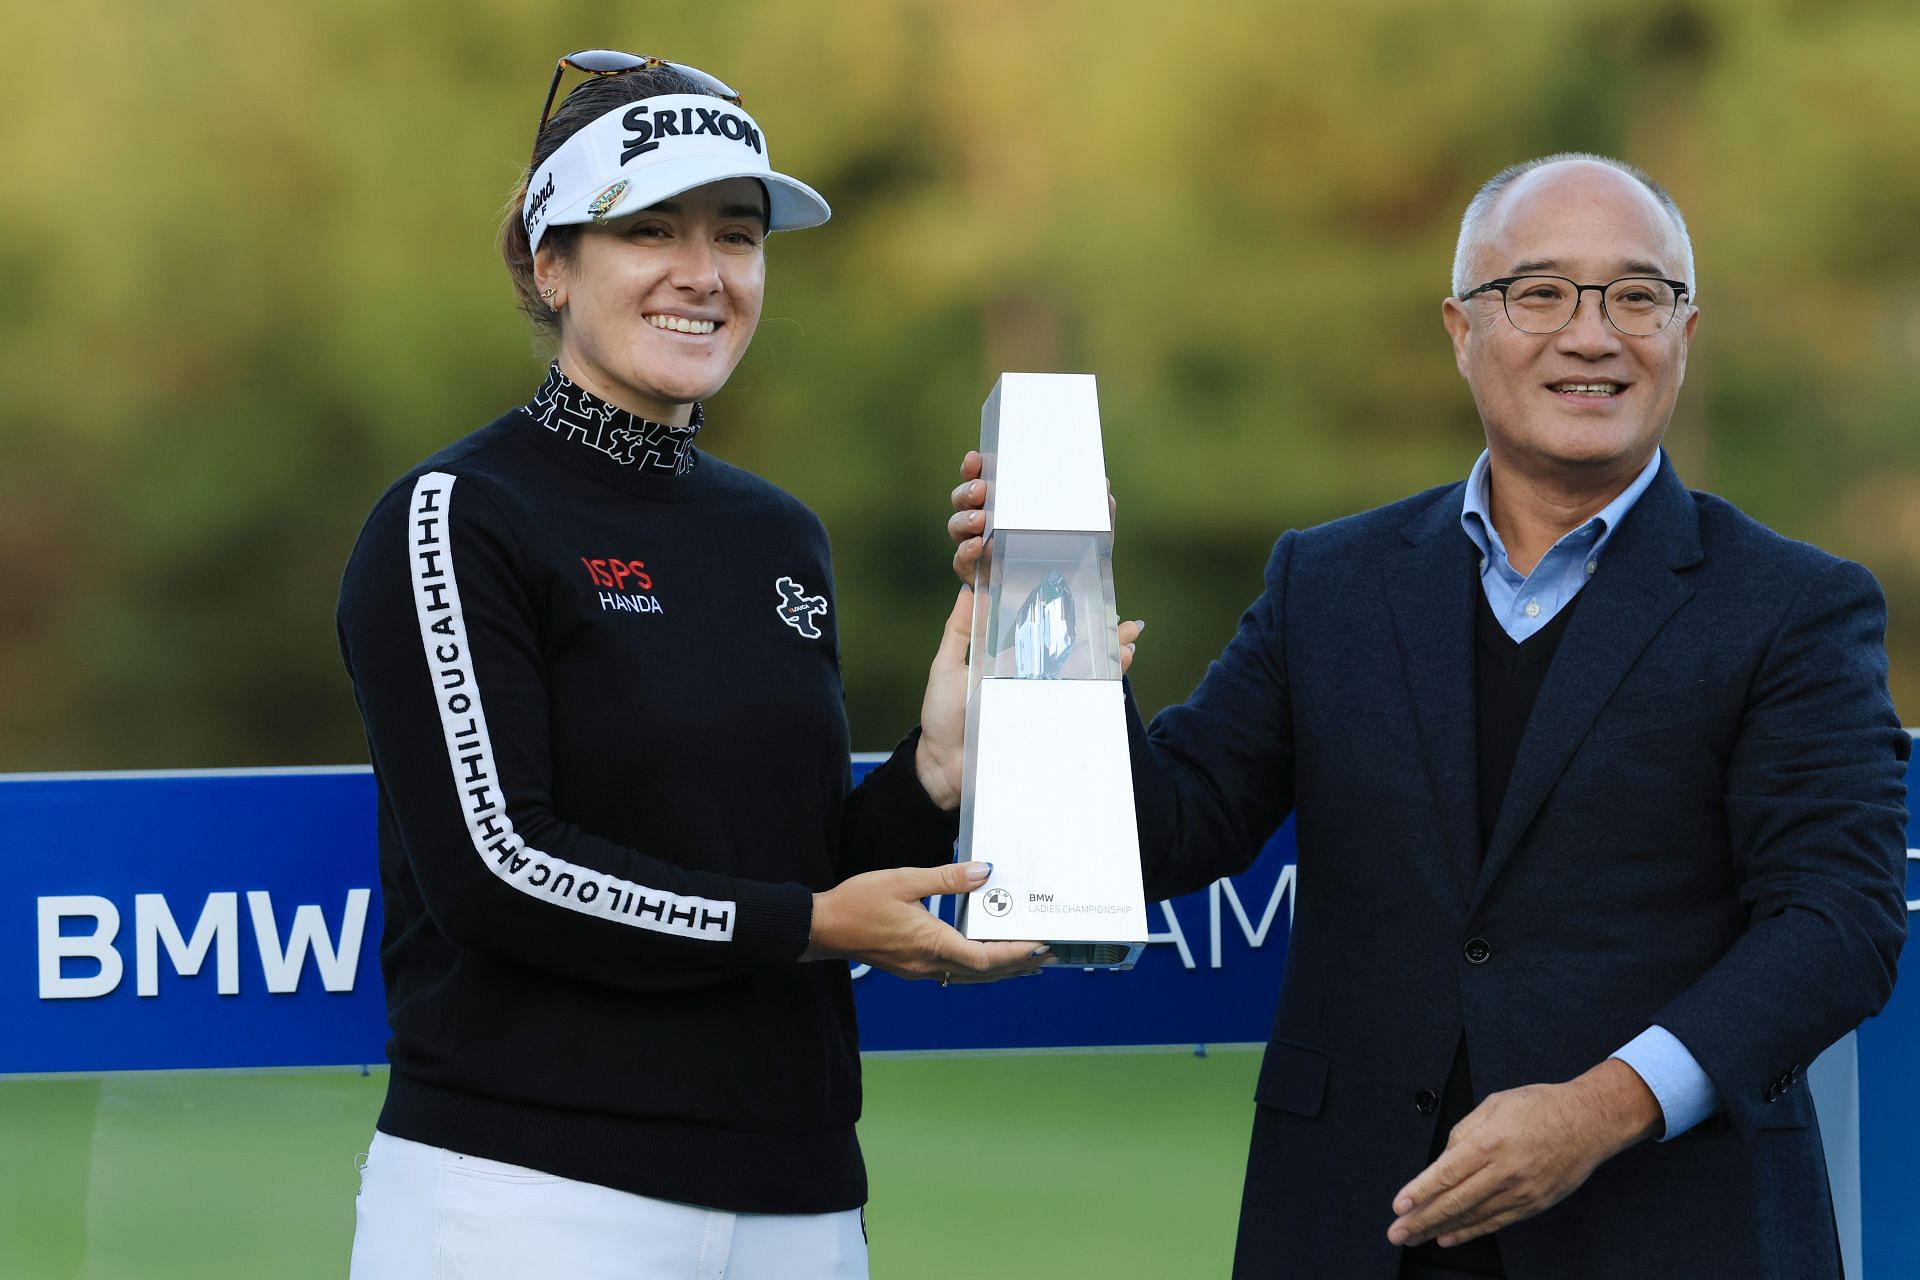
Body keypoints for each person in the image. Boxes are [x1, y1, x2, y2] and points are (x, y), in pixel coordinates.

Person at [948, 153, 1909, 1278]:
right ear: (1461, 328)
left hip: (1669, 1227)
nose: (1592, 335)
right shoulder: (1332, 581)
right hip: (1358, 1225)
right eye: (1540, 292)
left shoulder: (1794, 603)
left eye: (1638, 296)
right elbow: (1166, 831)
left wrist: (1600, 1108)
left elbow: (1838, 927)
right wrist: (1058, 581)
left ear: (1686, 333)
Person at [337, 52, 1072, 1280]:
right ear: (548, 262)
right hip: (531, 1198)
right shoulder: (459, 515)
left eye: (737, 234)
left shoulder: (778, 532)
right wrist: (815, 922)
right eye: (649, 230)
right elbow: (499, 867)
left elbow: (784, 868)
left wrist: (936, 765)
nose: (705, 272)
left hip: (802, 1199)